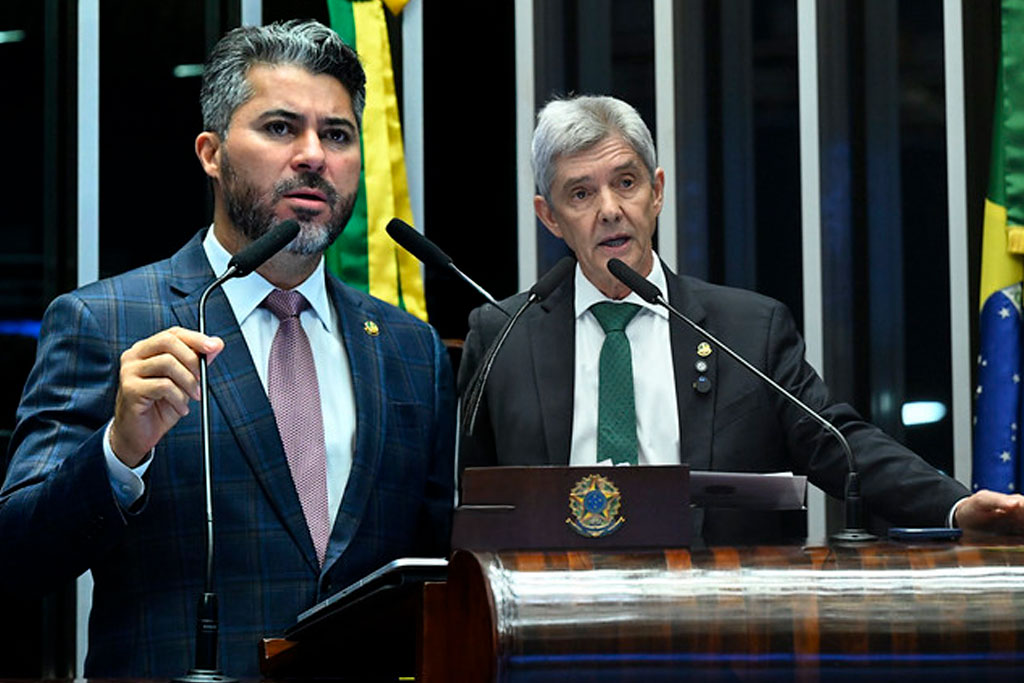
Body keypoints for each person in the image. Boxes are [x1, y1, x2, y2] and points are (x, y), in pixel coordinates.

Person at [0, 20, 454, 677]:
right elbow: (18, 554)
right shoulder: (105, 321)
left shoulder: (411, 350)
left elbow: (434, 574)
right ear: (210, 152)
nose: (312, 156)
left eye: (336, 134)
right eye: (279, 128)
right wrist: (118, 452)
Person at [458, 94, 1024, 544]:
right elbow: (468, 505)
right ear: (550, 218)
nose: (610, 209)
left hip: (722, 628)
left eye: (626, 183)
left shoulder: (747, 330)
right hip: (549, 627)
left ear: (656, 192)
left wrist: (953, 505)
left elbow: (840, 444)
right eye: (580, 194)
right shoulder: (504, 336)